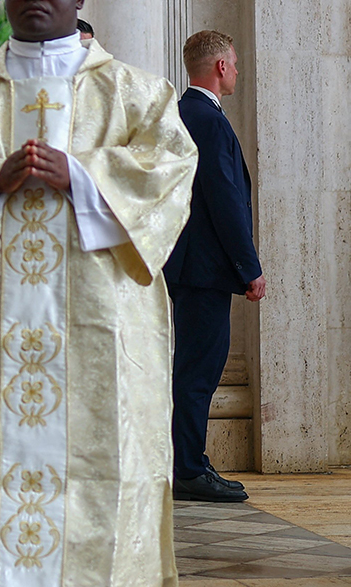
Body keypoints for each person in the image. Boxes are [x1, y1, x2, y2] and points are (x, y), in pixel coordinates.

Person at [0, 0, 198, 585]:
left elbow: (170, 171)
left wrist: (83, 175)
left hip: (99, 331)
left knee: (107, 469)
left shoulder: (136, 93)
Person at [164, 30, 262, 503]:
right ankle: (188, 468)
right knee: (199, 369)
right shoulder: (207, 119)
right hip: (203, 268)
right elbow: (225, 201)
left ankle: (190, 462)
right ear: (220, 66)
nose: (238, 71)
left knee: (192, 367)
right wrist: (249, 266)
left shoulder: (183, 113)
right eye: (236, 63)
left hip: (188, 266)